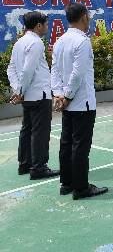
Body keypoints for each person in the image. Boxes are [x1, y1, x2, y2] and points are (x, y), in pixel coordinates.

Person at [51, 3, 108, 200]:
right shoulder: (82, 41)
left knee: (66, 143)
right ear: (84, 16)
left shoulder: (60, 41)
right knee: (80, 146)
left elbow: (55, 71)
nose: (89, 18)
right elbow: (78, 73)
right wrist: (66, 96)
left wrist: (58, 94)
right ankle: (81, 188)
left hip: (67, 102)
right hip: (80, 101)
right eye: (88, 15)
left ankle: (66, 183)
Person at [6, 11, 59, 180]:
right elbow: (28, 70)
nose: (47, 27)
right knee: (40, 132)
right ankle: (39, 168)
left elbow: (11, 69)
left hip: (28, 95)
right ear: (38, 26)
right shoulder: (36, 43)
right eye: (46, 24)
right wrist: (20, 91)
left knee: (27, 130)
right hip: (39, 95)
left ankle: (24, 164)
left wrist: (18, 90)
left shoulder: (19, 43)